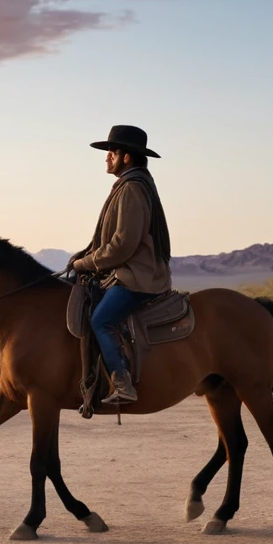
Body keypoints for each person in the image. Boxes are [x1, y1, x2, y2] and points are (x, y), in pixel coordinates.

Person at [66, 125, 173, 405]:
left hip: (137, 276)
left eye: (112, 152)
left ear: (127, 157)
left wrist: (85, 263)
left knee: (101, 320)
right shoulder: (132, 184)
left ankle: (123, 383)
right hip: (128, 272)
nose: (107, 157)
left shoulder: (132, 189)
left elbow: (123, 244)